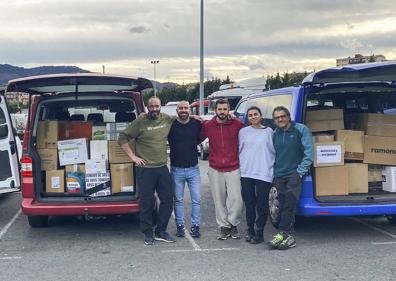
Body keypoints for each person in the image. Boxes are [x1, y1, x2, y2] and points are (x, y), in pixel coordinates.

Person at [118, 96, 176, 245]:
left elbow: (183, 117)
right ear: (147, 107)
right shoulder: (140, 122)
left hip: (162, 167)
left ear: (160, 106)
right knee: (146, 202)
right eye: (152, 106)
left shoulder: (166, 119)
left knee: (168, 199)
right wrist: (133, 156)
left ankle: (161, 230)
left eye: (157, 106)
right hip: (145, 169)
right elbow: (122, 137)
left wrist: (196, 116)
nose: (155, 109)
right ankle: (148, 232)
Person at [268, 106, 313, 250]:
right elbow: (273, 154)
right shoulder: (275, 133)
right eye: (277, 117)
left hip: (294, 174)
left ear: (288, 116)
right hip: (279, 174)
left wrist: (300, 171)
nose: (280, 119)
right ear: (274, 121)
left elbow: (309, 152)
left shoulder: (300, 129)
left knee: (289, 203)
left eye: (283, 116)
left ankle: (286, 234)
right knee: (280, 204)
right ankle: (284, 234)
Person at [200, 98, 244, 240]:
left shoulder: (237, 124)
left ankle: (233, 223)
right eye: (220, 109)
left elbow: (249, 135)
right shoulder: (208, 125)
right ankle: (224, 227)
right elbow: (196, 138)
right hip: (215, 167)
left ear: (228, 109)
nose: (222, 112)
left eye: (225, 109)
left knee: (236, 200)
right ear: (215, 110)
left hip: (233, 167)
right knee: (219, 199)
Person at [238, 106, 275, 244]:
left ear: (261, 116)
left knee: (262, 204)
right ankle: (250, 229)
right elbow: (239, 149)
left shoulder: (269, 132)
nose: (253, 117)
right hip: (247, 171)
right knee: (249, 203)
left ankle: (260, 231)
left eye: (255, 114)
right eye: (250, 115)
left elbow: (273, 151)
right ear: (248, 118)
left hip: (264, 172)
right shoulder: (243, 132)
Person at [168, 101, 202, 238]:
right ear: (176, 110)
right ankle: (180, 226)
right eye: (180, 108)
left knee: (197, 199)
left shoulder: (197, 124)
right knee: (178, 200)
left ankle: (195, 226)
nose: (183, 110)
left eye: (186, 108)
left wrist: (196, 117)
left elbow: (205, 132)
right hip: (176, 169)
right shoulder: (170, 125)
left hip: (193, 169)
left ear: (190, 110)